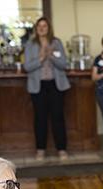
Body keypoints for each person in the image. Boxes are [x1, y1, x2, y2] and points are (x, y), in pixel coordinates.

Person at [24, 17, 70, 161]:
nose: (42, 28)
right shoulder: (30, 44)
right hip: (39, 87)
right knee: (40, 119)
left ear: (49, 28)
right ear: (36, 28)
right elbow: (27, 67)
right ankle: (40, 150)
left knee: (58, 118)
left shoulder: (56, 42)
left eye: (45, 26)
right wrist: (41, 58)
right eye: (39, 26)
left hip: (56, 85)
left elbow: (64, 64)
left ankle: (62, 149)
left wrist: (51, 56)